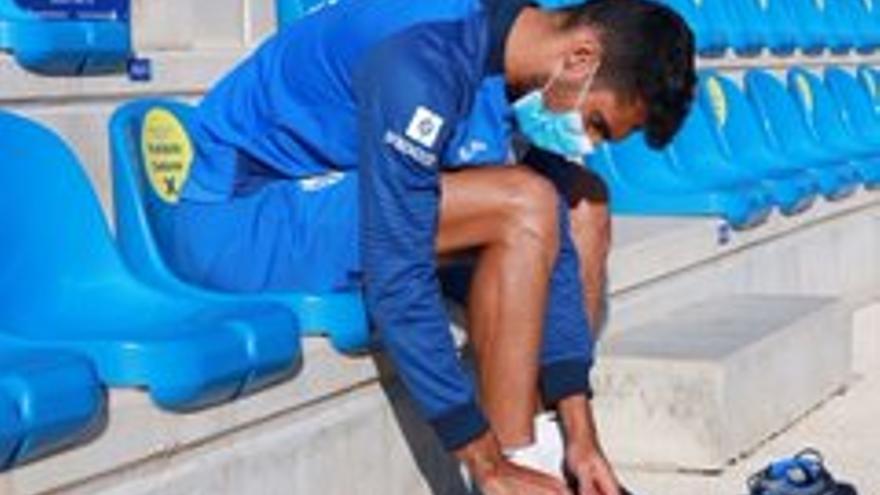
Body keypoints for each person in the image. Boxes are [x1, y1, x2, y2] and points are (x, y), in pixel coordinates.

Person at [164, 0, 695, 493]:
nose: (588, 143)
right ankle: (514, 468)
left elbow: (554, 234)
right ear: (580, 57)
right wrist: (482, 457)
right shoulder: (422, 54)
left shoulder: (514, 53)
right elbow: (396, 269)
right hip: (241, 219)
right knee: (524, 202)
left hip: (347, 193)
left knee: (583, 203)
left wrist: (582, 432)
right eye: (596, 123)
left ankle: (552, 444)